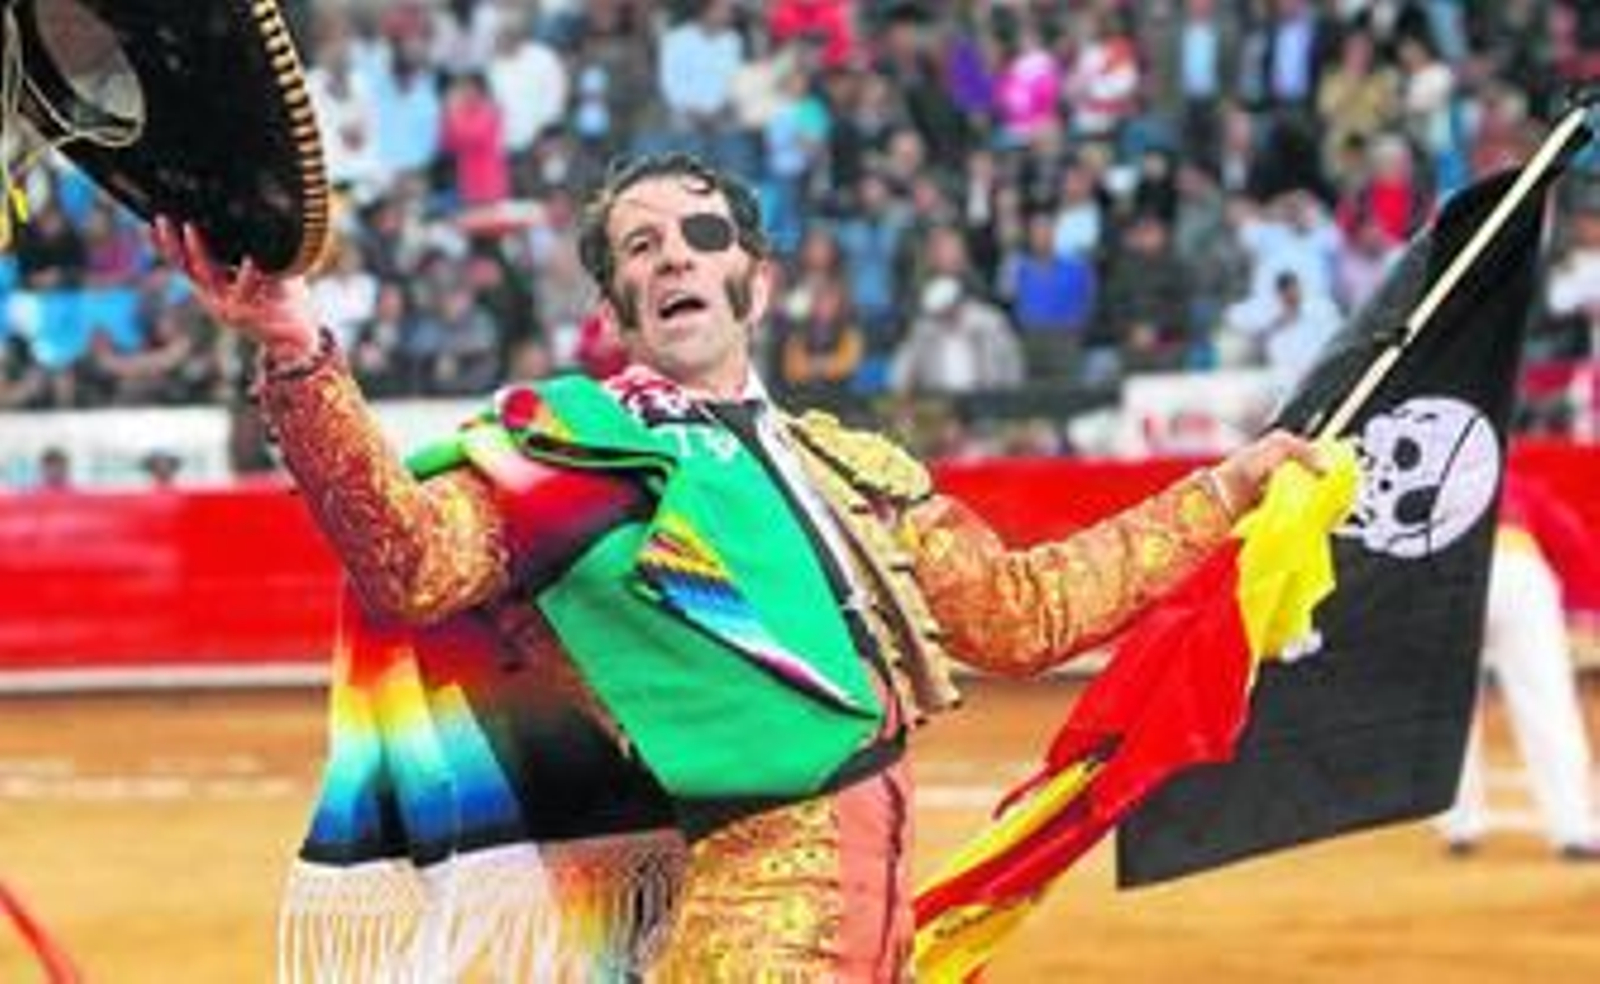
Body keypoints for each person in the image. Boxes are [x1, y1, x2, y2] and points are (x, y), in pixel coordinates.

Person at [152, 152, 1317, 980]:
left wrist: (1227, 489)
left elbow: (1023, 615)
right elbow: (410, 560)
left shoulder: (847, 468)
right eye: (640, 247)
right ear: (615, 309)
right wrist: (296, 349)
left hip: (871, 935)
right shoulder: (579, 452)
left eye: (701, 236)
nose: (674, 256)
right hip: (740, 928)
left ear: (754, 277)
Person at [1438, 474, 1600, 861]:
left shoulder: (1429, 474)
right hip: (1519, 571)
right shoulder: (1519, 484)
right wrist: (1586, 610)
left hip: (1448, 576)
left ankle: (1460, 825)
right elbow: (1570, 540)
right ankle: (1573, 827)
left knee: (1448, 707)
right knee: (1548, 703)